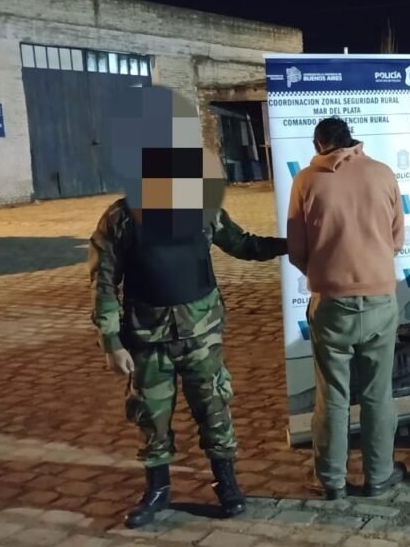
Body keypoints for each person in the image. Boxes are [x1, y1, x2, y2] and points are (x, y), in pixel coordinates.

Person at [88, 85, 288, 528]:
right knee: (152, 418)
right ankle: (157, 488)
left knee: (214, 408)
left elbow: (242, 245)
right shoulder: (120, 219)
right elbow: (102, 281)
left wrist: (291, 245)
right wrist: (110, 341)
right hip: (146, 338)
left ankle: (226, 483)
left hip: (201, 333)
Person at [286, 116, 406, 499]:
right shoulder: (384, 174)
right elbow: (397, 239)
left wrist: (325, 272)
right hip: (380, 302)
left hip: (331, 305)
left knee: (333, 396)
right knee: (377, 394)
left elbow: (297, 250)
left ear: (319, 144)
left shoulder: (306, 180)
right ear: (353, 140)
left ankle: (332, 482)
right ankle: (379, 476)